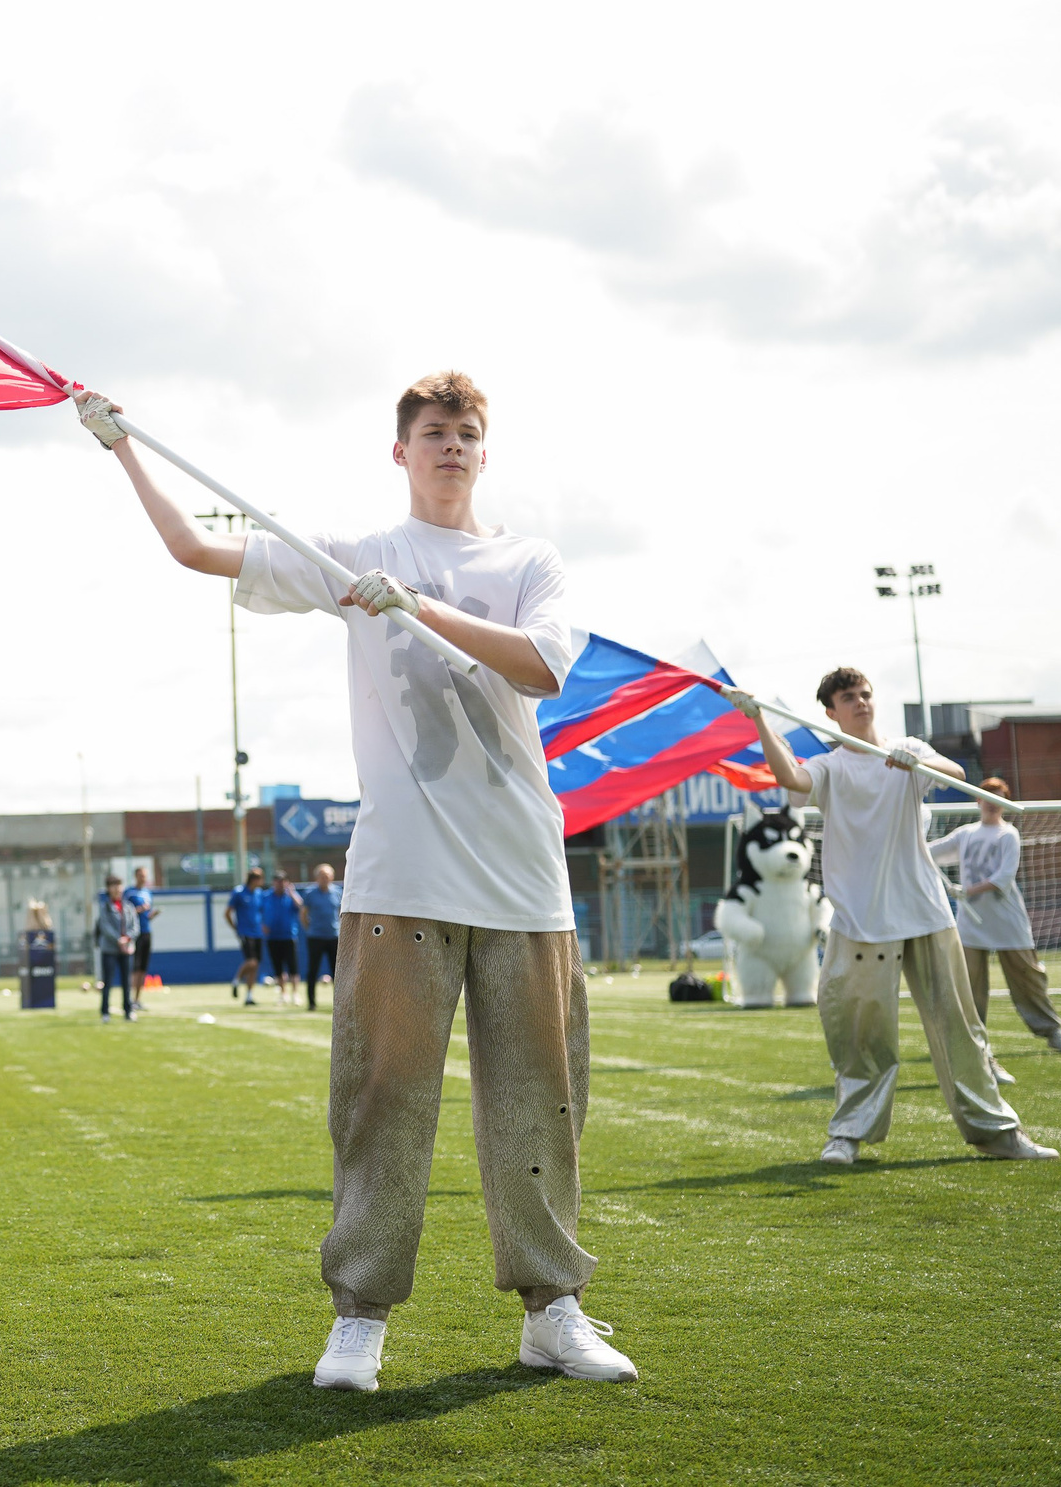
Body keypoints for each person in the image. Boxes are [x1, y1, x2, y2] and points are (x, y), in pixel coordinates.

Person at [80, 370, 637, 1391]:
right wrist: (124, 447)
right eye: (433, 432)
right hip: (400, 880)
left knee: (539, 1104)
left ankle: (552, 1310)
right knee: (382, 1098)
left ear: (484, 449)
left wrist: (418, 607)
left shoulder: (529, 560)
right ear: (401, 451)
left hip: (523, 879)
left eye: (467, 432)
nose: (452, 447)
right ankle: (360, 1320)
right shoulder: (357, 556)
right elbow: (196, 549)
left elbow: (544, 667)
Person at [734, 671, 1056, 1166]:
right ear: (831, 712)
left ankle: (999, 1132)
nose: (861, 703)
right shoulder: (828, 765)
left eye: (865, 694)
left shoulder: (907, 747)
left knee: (961, 1029)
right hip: (861, 921)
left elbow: (955, 771)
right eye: (848, 698)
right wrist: (760, 720)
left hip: (926, 911)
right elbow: (790, 778)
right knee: (860, 1034)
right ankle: (847, 1135)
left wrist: (919, 759)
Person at [931, 777, 1061, 1059]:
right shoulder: (965, 834)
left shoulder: (1008, 835)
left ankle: (1052, 1030)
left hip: (1008, 921)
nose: (992, 803)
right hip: (971, 924)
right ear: (978, 800)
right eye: (988, 797)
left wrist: (967, 890)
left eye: (999, 798)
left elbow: (1002, 878)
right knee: (969, 983)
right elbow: (928, 853)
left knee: (1028, 976)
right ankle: (974, 1041)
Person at [94, 874, 138, 1020]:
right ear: (108, 889)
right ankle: (105, 1012)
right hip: (110, 949)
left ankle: (128, 1010)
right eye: (113, 885)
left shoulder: (128, 907)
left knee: (127, 981)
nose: (117, 889)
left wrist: (128, 938)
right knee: (108, 981)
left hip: (126, 950)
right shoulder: (105, 907)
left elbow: (135, 926)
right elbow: (105, 927)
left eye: (119, 885)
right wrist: (118, 940)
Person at [299, 865, 342, 1010]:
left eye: (328, 875)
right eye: (322, 875)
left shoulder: (337, 892)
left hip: (333, 936)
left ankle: (339, 1004)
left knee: (337, 971)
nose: (325, 878)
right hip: (316, 937)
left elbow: (341, 913)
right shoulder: (310, 893)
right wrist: (309, 929)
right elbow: (303, 914)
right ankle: (311, 1002)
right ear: (317, 877)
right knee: (313, 970)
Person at [227, 866, 269, 1004]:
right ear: (254, 879)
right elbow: (227, 912)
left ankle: (249, 996)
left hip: (257, 933)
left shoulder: (259, 894)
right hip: (245, 932)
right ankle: (236, 979)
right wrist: (235, 927)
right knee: (252, 961)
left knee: (255, 966)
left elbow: (260, 912)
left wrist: (262, 925)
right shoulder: (239, 892)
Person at [265, 874, 305, 1008]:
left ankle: (295, 994)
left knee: (293, 967)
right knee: (278, 967)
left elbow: (300, 905)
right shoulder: (267, 896)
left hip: (289, 936)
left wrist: (292, 892)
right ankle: (283, 994)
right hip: (272, 937)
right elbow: (259, 912)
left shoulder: (290, 896)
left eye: (283, 882)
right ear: (273, 883)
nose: (280, 885)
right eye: (278, 882)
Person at [124, 866, 156, 1010]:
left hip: (146, 931)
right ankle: (129, 999)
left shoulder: (148, 893)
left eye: (145, 875)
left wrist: (151, 915)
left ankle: (137, 999)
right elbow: (125, 913)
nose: (143, 878)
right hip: (134, 933)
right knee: (135, 968)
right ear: (135, 876)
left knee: (143, 968)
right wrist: (138, 910)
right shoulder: (129, 893)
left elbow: (146, 916)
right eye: (141, 875)